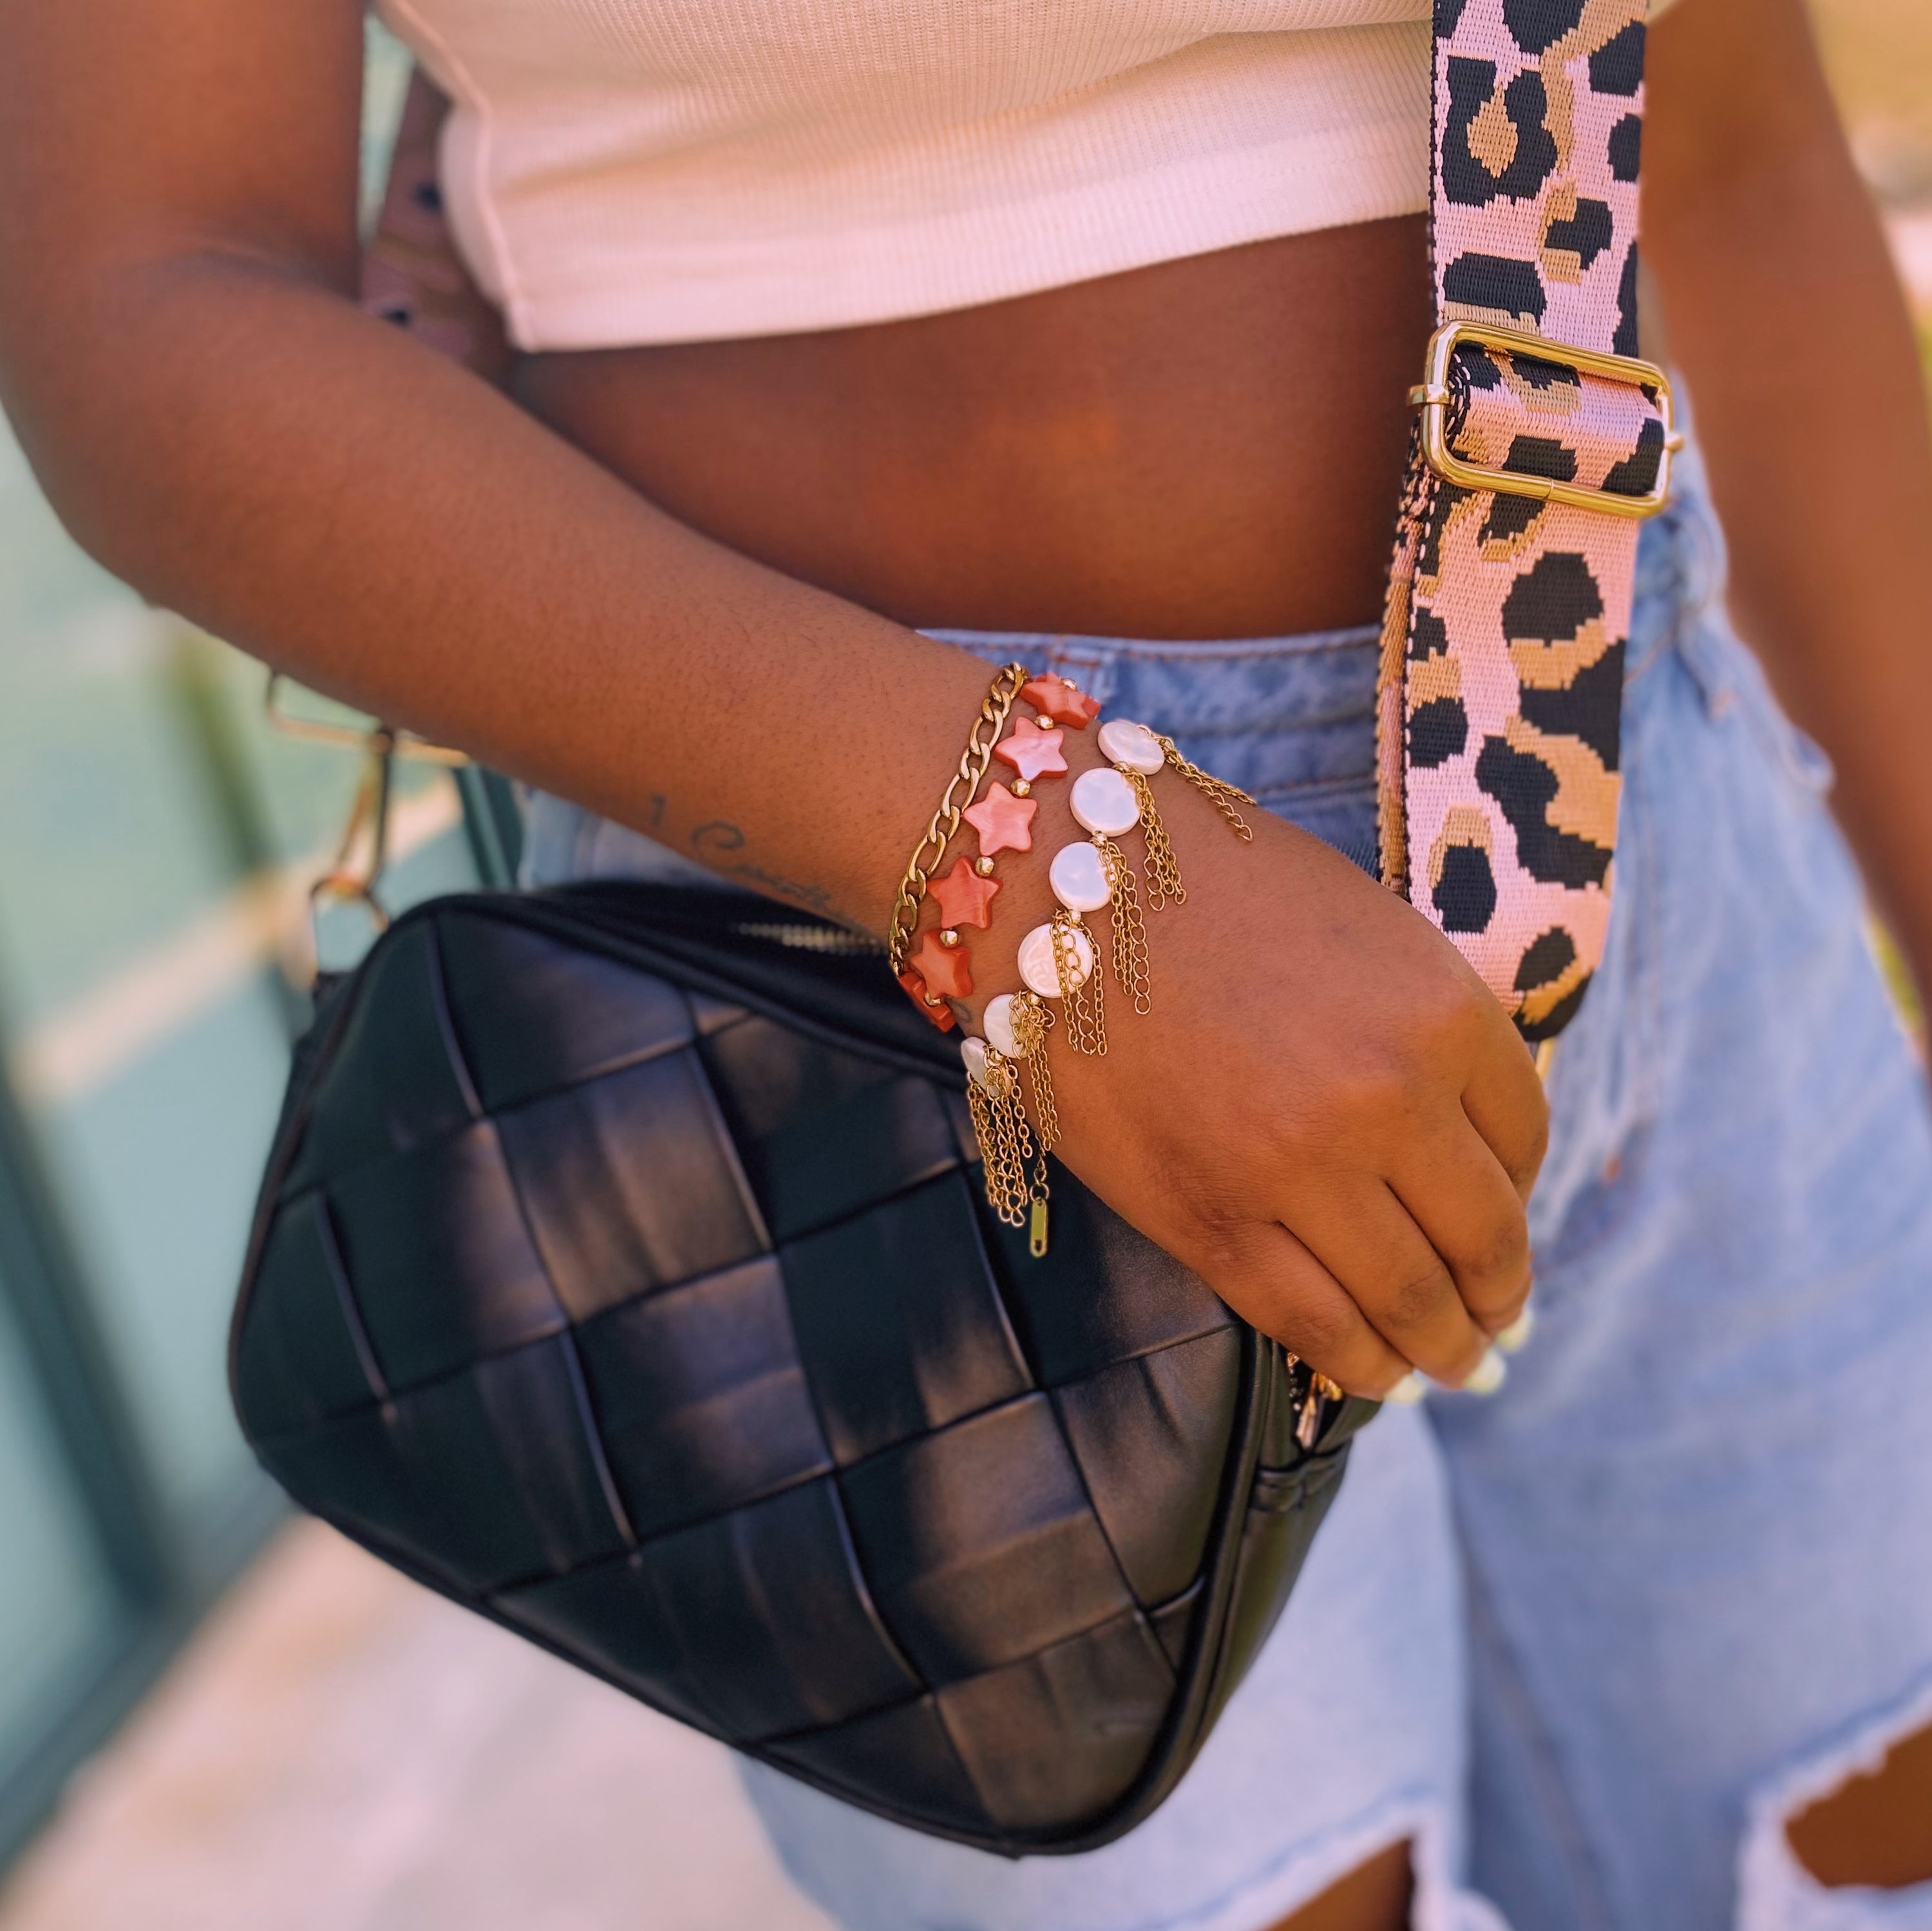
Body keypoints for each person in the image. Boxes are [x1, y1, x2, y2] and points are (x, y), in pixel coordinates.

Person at [1, 0, 1929, 1921]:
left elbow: (1738, 155)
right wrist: (1034, 876)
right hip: (866, 1054)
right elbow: (142, 290)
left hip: (1654, 862)